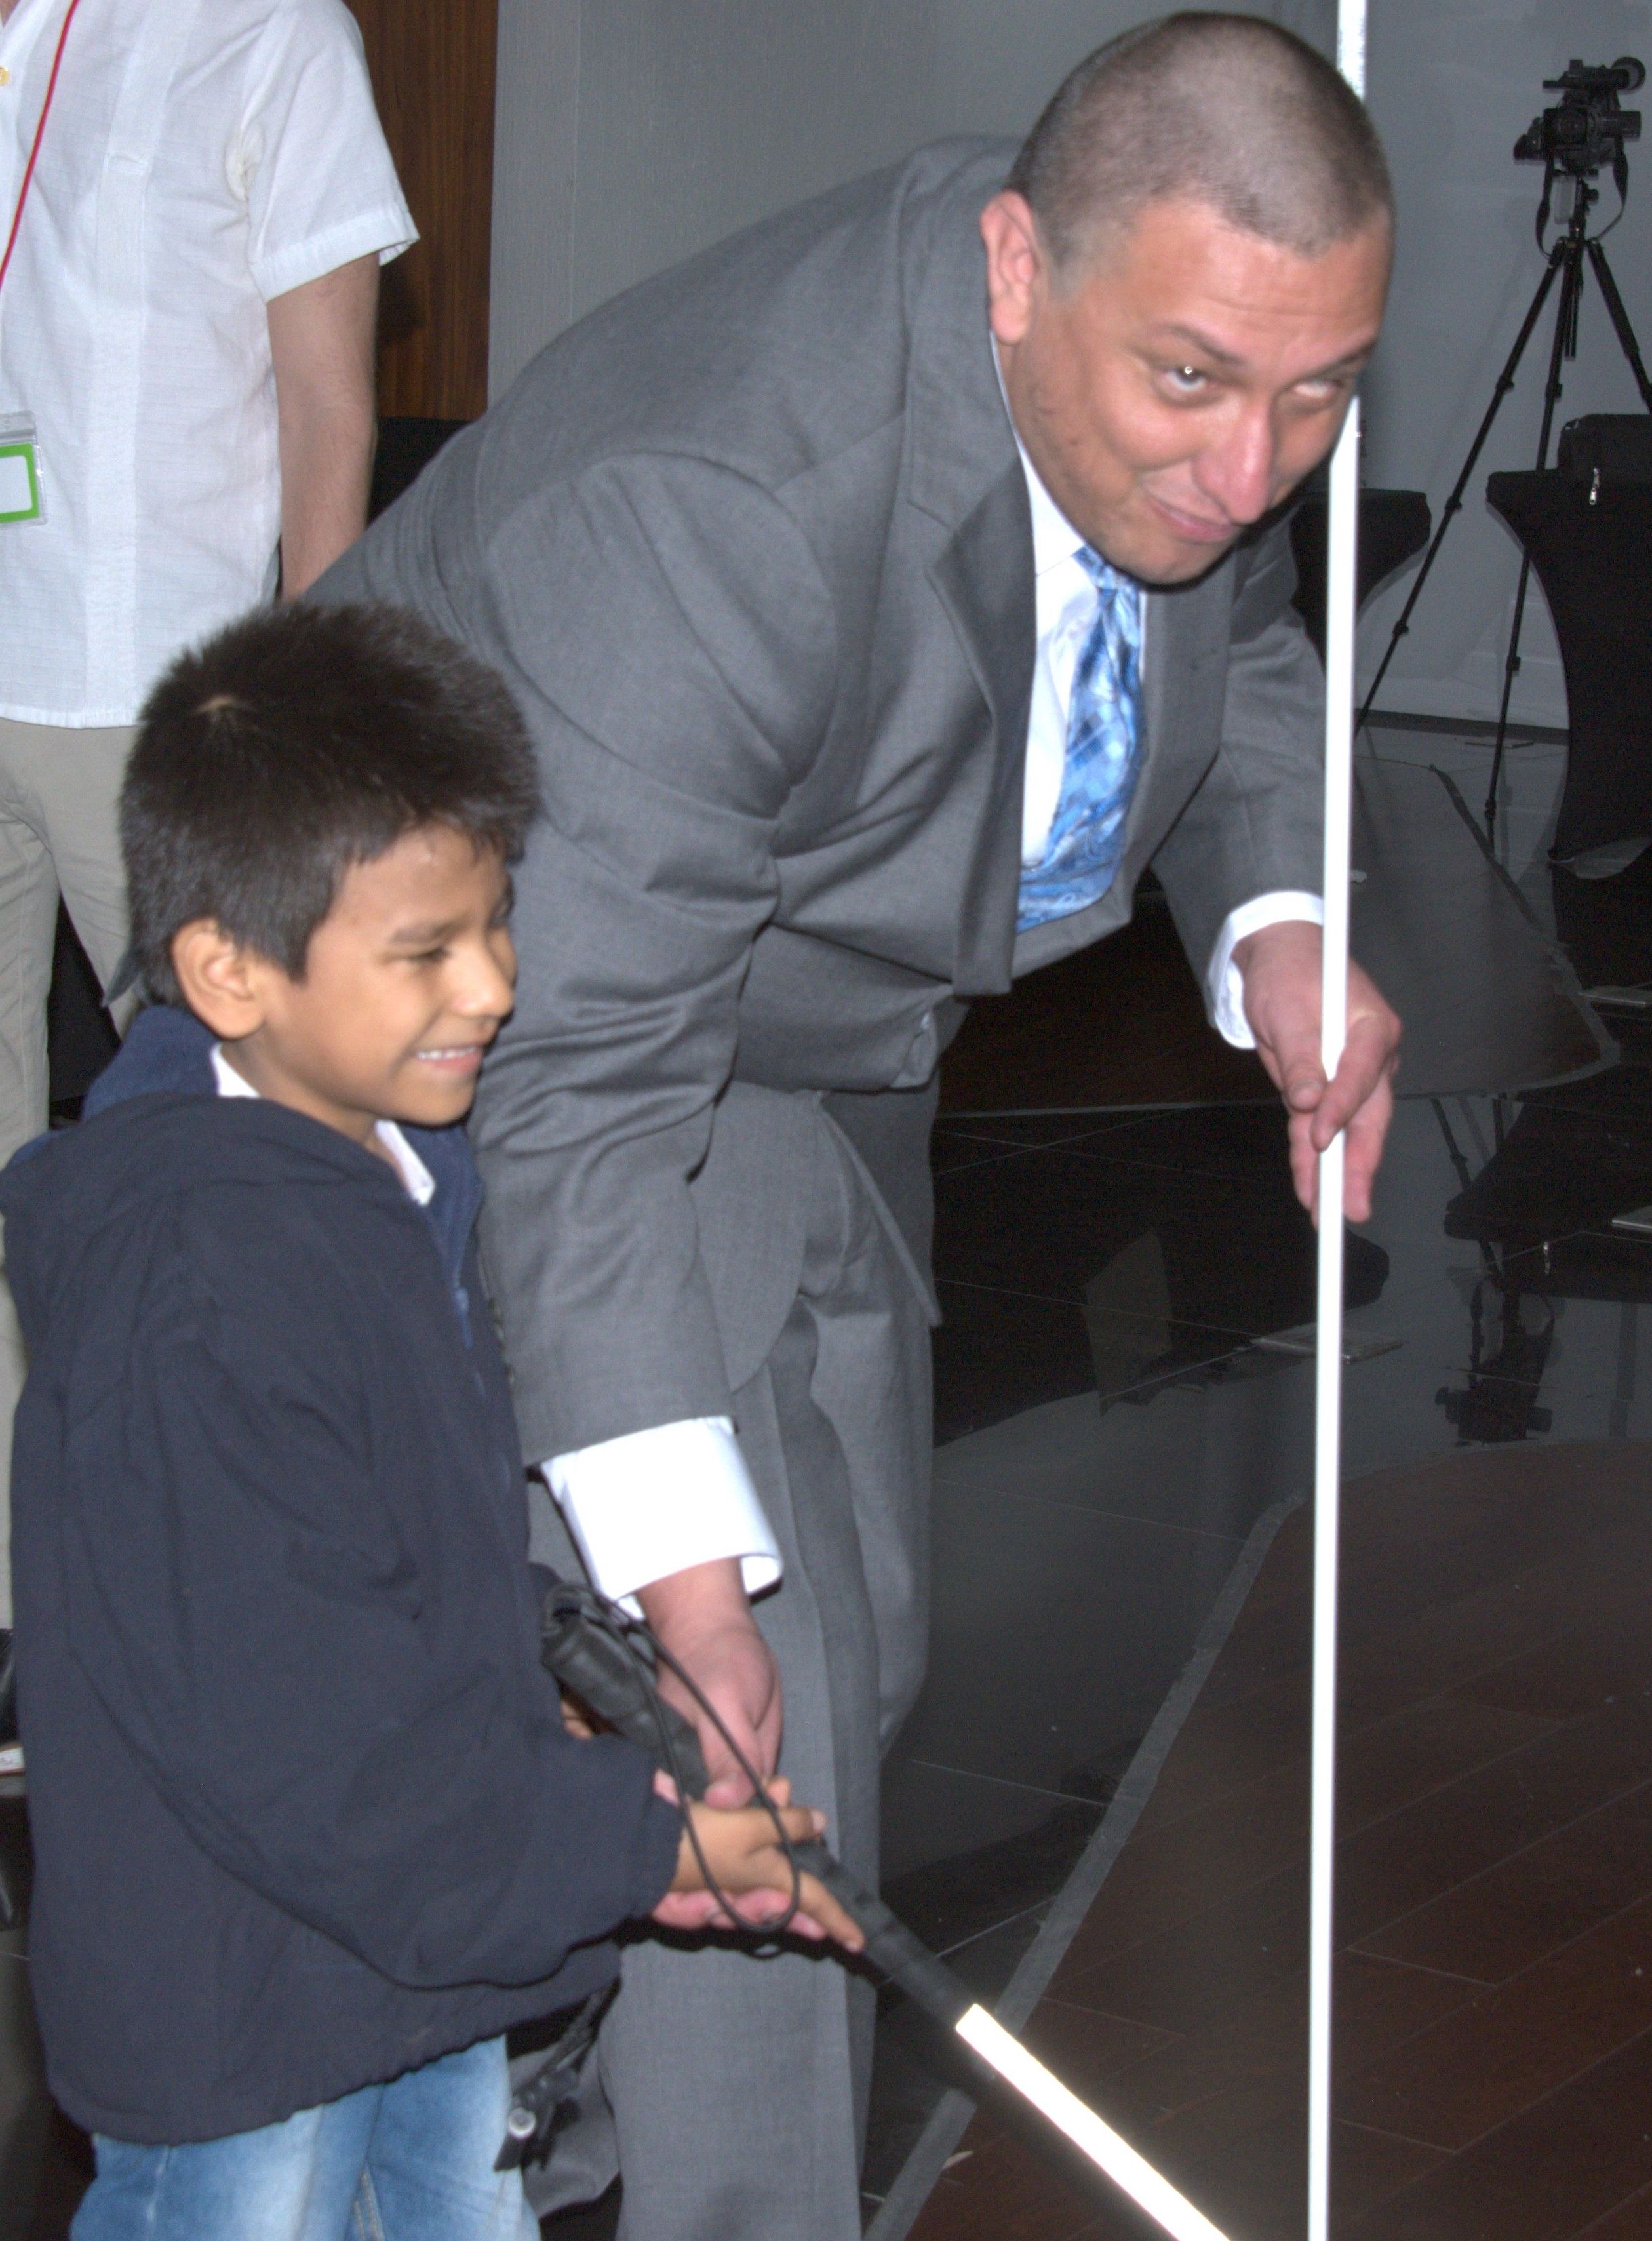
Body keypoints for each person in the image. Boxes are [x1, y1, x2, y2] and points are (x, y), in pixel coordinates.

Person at [313, 13, 1400, 2236]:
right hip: (494, 1008)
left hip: (805, 1011)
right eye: (1195, 379)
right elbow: (588, 1079)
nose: (1252, 463)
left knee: (860, 1634)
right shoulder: (719, 492)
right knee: (756, 1722)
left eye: (1319, 395)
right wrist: (680, 1574)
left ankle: (488, 2071)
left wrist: (1276, 908)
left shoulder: (1169, 390)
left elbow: (1246, 618)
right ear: (1016, 264)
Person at [0, 601, 861, 2241]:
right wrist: (640, 1844)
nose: (495, 985)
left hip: (415, 1947)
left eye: (496, 923)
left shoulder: (381, 1162)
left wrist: (548, 1643)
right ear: (227, 969)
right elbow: (305, 1727)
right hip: (247, 2006)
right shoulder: (198, 1297)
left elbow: (384, 1525)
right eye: (426, 950)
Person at [0, 0, 416, 1623]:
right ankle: (30, 1599)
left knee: (224, 1170)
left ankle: (254, 1591)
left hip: (153, 704)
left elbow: (331, 408)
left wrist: (301, 726)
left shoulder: (267, 26)